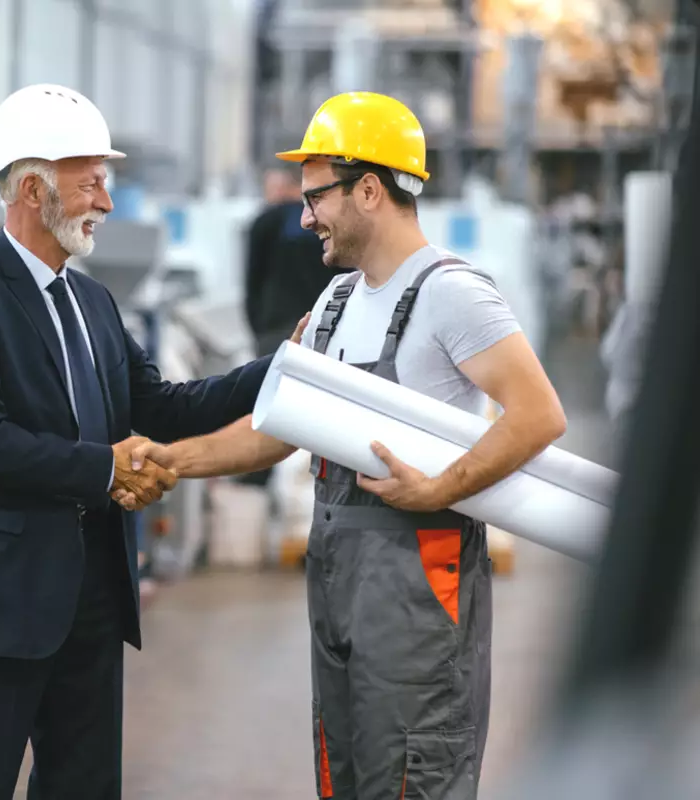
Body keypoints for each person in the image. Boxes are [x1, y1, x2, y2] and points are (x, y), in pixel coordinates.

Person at [117, 92, 568, 799]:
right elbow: (281, 430)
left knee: (415, 769)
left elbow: (539, 414)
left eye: (315, 197)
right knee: (345, 768)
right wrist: (176, 459)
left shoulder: (452, 294)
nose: (303, 218)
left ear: (368, 189)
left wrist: (439, 489)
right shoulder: (334, 304)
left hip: (419, 581)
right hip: (337, 575)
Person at [0, 83, 273, 800]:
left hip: (93, 598)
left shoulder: (94, 303)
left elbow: (163, 407)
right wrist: (104, 470)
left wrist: (282, 368)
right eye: (93, 183)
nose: (106, 202)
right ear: (33, 187)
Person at [240, 164, 351, 492]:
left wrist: (258, 327)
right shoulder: (328, 224)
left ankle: (259, 476)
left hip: (276, 328)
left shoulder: (264, 221)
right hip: (327, 325)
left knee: (272, 405)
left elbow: (252, 280)